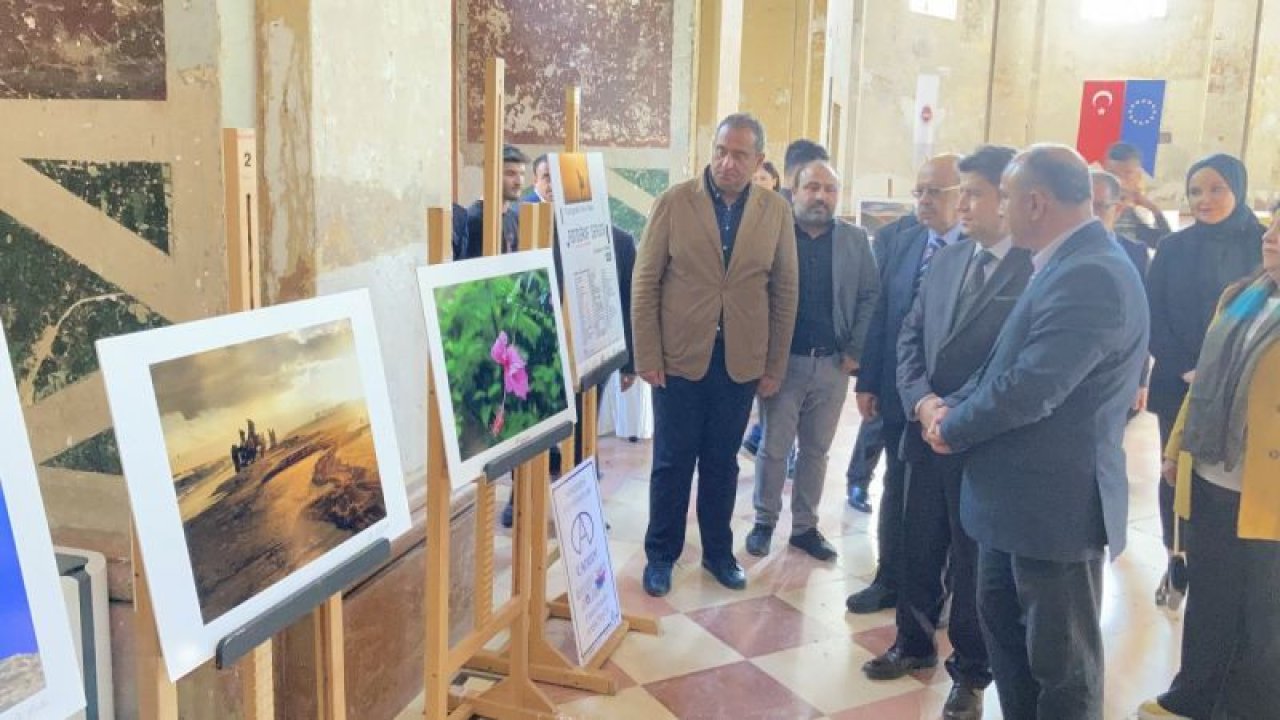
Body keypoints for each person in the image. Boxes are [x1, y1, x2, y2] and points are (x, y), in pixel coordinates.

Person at [925, 145, 1148, 719]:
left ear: (1034, 201)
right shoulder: (1058, 260)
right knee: (1011, 654)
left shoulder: (1093, 273)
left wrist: (954, 425)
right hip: (1011, 506)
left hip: (1054, 511)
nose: (997, 207)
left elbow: (1032, 387)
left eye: (1003, 196)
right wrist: (946, 403)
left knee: (1062, 670)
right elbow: (1002, 362)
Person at [862, 145, 1029, 720]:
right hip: (924, 431)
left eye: (974, 192)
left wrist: (949, 414)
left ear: (1007, 199)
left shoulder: (1031, 270)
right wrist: (923, 401)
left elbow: (1009, 366)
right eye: (959, 191)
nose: (961, 203)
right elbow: (910, 337)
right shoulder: (951, 260)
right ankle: (912, 643)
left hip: (978, 442)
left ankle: (972, 673)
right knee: (915, 544)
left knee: (972, 562)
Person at [632, 113, 798, 597]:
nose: (727, 162)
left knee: (723, 463)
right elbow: (645, 282)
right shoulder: (674, 202)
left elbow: (785, 291)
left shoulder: (775, 212)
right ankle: (661, 555)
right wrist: (647, 352)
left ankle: (719, 554)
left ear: (758, 161)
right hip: (679, 358)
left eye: (739, 155)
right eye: (721, 151)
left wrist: (773, 365)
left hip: (740, 362)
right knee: (671, 461)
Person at [1137, 210, 1280, 720]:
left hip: (1267, 491)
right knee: (1211, 600)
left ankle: (1250, 709)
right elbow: (1206, 382)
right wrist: (1177, 448)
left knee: (1263, 618)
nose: (1270, 235)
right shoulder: (1243, 295)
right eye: (1273, 224)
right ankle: (1194, 696)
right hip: (1213, 473)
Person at [1145, 153, 1265, 609]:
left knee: (1228, 477)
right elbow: (1153, 315)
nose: (1205, 199)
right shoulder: (1175, 248)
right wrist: (1186, 368)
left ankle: (1228, 562)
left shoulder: (1261, 244)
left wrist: (1224, 372)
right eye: (1196, 191)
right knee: (1175, 472)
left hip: (1244, 389)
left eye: (1216, 189)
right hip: (1182, 382)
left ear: (1237, 188)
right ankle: (1176, 556)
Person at [846, 154, 963, 614]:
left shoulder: (977, 251)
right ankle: (889, 580)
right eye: (919, 191)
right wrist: (868, 380)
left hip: (952, 404)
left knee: (942, 508)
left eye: (935, 191)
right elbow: (883, 315)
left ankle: (939, 594)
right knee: (896, 490)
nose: (924, 201)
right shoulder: (903, 241)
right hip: (899, 393)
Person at [746, 160, 879, 561]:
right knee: (773, 448)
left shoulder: (855, 241)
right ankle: (764, 521)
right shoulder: (774, 234)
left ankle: (805, 526)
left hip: (833, 365)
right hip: (783, 364)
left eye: (830, 189)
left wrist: (855, 351)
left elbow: (870, 296)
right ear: (794, 191)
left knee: (817, 451)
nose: (821, 196)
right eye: (812, 187)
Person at [844, 212, 920, 513]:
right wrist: (867, 372)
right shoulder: (894, 234)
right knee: (875, 421)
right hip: (892, 350)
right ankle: (859, 480)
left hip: (931, 357)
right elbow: (878, 297)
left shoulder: (966, 240)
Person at [1092, 169, 1153, 419]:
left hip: (1116, 372)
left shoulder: (1134, 253)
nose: (1090, 216)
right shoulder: (1051, 249)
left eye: (1099, 207)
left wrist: (1141, 378)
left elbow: (1144, 320)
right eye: (1082, 205)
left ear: (1117, 210)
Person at [1104, 142, 1172, 249]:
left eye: (1128, 173)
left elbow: (1167, 246)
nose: (1119, 181)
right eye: (1113, 174)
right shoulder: (1096, 208)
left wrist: (1154, 209)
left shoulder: (1136, 214)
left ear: (1138, 176)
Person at [464, 144, 527, 258]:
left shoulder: (514, 217)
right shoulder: (473, 220)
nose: (519, 181)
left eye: (522, 174)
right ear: (491, 175)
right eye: (510, 174)